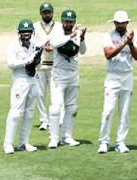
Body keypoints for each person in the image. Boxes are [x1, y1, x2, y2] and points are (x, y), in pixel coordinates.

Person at [97, 10, 137, 154]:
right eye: (118, 23)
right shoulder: (108, 36)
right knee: (108, 110)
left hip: (127, 76)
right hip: (112, 76)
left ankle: (120, 142)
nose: (120, 25)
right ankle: (104, 141)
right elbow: (108, 55)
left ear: (127, 23)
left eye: (123, 23)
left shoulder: (133, 36)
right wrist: (124, 44)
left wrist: (131, 43)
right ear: (114, 23)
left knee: (125, 111)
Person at [47, 9, 86, 148]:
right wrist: (72, 36)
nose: (68, 23)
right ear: (62, 21)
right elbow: (55, 44)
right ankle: (53, 138)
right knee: (55, 108)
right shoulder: (57, 33)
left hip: (73, 74)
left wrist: (82, 38)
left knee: (72, 107)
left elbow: (82, 51)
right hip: (59, 74)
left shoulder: (78, 33)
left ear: (74, 22)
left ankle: (67, 137)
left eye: (70, 21)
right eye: (66, 21)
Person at [3, 19, 42, 154]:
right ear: (19, 33)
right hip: (19, 82)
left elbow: (38, 63)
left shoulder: (35, 45)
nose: (26, 34)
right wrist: (27, 61)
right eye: (23, 32)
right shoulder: (13, 46)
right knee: (15, 113)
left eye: (28, 32)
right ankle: (8, 143)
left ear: (32, 32)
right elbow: (11, 63)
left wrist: (35, 63)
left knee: (29, 113)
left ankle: (23, 143)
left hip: (32, 80)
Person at [32, 3, 56, 132]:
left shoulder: (58, 27)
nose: (47, 14)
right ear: (41, 13)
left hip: (55, 66)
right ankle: (44, 121)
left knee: (55, 95)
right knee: (40, 94)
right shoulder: (35, 26)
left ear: (53, 13)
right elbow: (32, 44)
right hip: (40, 66)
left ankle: (56, 120)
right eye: (44, 12)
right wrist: (43, 46)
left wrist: (53, 47)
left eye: (49, 12)